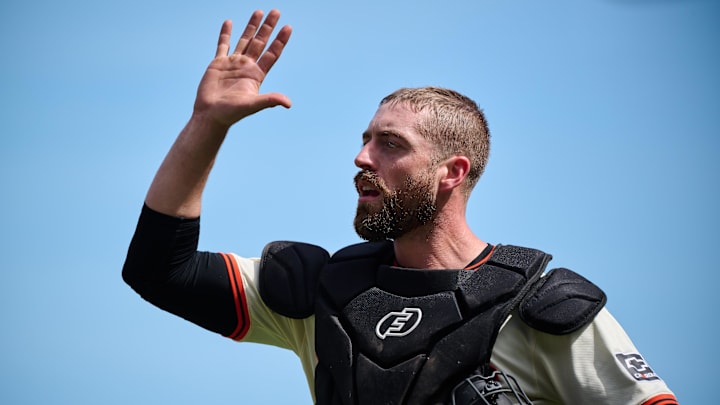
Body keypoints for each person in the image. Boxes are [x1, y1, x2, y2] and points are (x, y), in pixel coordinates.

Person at [122, 9, 679, 405]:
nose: (362, 158)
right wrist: (207, 124)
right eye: (365, 140)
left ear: (452, 172)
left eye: (391, 144)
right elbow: (158, 271)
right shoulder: (320, 291)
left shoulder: (541, 307)